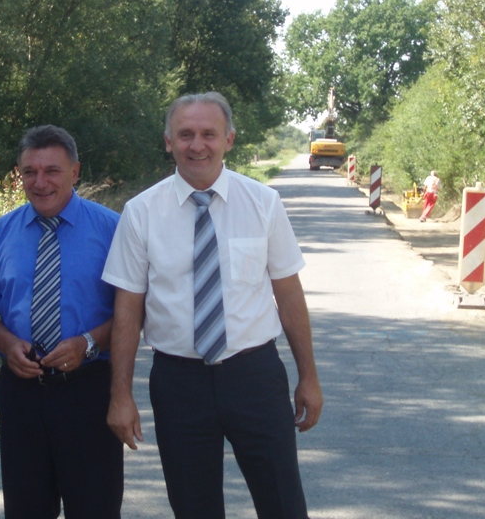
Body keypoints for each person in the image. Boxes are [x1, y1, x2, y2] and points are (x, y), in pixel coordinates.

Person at [103, 92, 323, 519]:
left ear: (229, 140)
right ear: (169, 141)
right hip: (178, 383)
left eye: (209, 134)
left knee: (283, 503)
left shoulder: (263, 203)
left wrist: (309, 377)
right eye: (185, 134)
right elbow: (127, 310)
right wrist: (120, 395)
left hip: (255, 376)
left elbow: (289, 295)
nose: (197, 145)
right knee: (194, 507)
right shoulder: (141, 212)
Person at [0, 125, 123, 519]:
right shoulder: (1, 233)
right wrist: (5, 343)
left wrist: (89, 342)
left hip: (89, 389)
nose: (40, 182)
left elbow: (136, 309)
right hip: (21, 392)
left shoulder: (113, 229)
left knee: (96, 508)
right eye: (29, 172)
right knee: (26, 508)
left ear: (75, 172)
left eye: (52, 171)